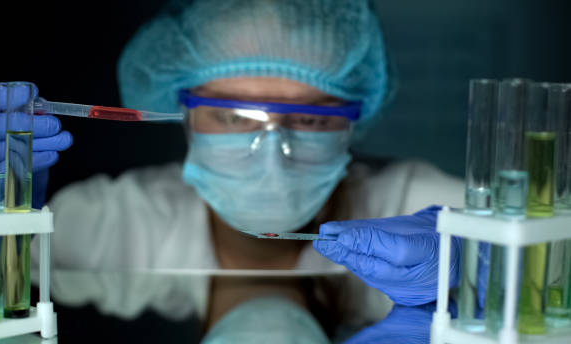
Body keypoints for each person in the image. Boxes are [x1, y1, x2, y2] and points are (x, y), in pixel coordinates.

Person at [27, 0, 464, 341]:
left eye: (309, 119)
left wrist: (479, 267)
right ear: (184, 114)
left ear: (352, 121)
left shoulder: (419, 213)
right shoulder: (113, 224)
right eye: (234, 116)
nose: (272, 154)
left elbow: (528, 258)